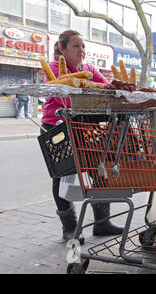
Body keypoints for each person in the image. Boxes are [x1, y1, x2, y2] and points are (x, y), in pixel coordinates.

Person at [41, 30, 123, 244]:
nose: (82, 51)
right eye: (76, 46)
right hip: (57, 127)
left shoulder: (88, 69)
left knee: (100, 168)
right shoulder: (54, 68)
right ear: (62, 47)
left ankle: (102, 222)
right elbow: (60, 96)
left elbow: (107, 88)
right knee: (63, 175)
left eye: (83, 46)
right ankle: (69, 228)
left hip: (85, 127)